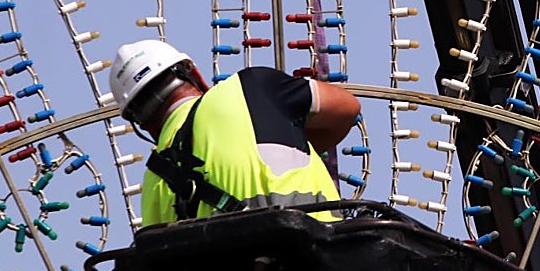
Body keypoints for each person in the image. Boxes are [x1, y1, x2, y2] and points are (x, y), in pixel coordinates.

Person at [109, 39, 361, 226]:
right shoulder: (250, 88)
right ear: (195, 74)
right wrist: (295, 140)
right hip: (319, 267)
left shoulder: (153, 184)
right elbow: (347, 108)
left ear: (141, 125)